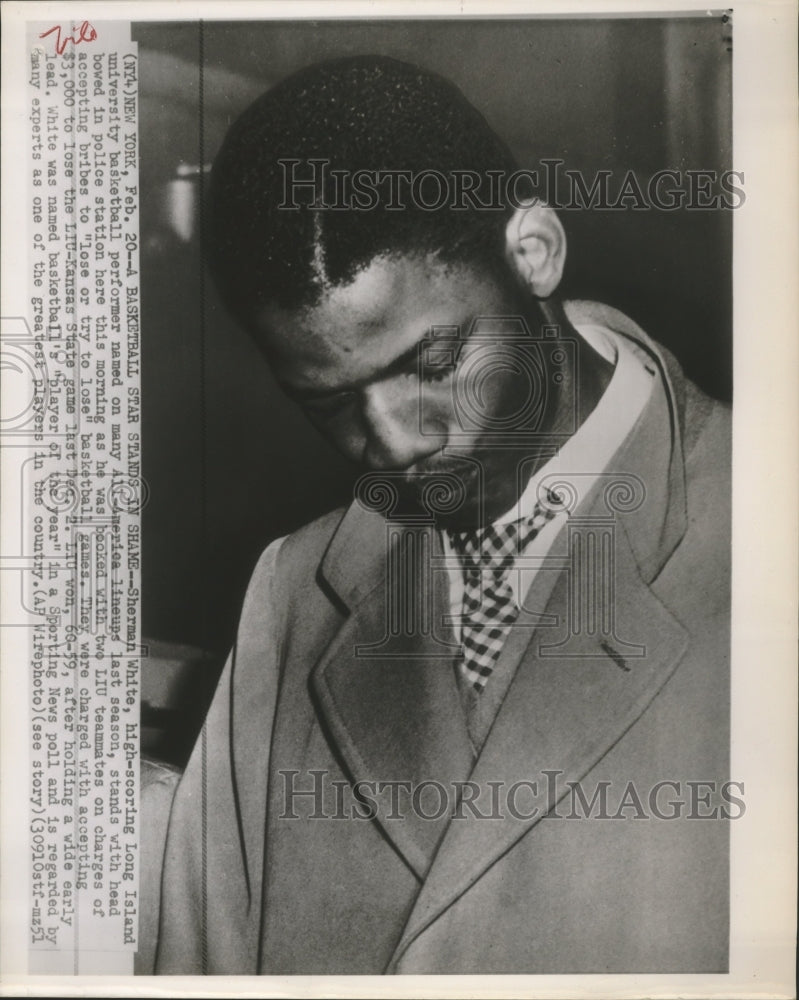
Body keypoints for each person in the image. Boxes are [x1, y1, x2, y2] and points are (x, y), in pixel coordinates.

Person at [144, 55, 731, 975]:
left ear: (531, 250)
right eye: (330, 403)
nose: (392, 445)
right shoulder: (290, 595)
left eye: (432, 362)